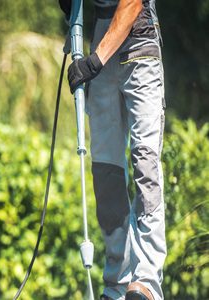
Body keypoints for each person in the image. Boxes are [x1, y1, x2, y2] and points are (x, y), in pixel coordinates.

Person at [59, 0, 166, 299]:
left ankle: (146, 281)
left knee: (145, 165)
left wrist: (93, 62)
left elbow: (131, 4)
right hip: (101, 38)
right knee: (105, 172)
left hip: (139, 43)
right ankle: (118, 282)